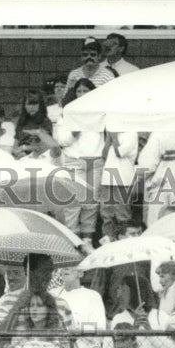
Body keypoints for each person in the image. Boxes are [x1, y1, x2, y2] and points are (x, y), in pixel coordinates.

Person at [55, 78, 104, 246]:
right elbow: (61, 140)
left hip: (94, 161)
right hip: (74, 161)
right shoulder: (67, 113)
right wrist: (74, 131)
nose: (82, 94)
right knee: (73, 203)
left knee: (90, 203)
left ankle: (87, 240)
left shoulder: (100, 113)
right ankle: (72, 241)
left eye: (86, 91)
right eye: (79, 91)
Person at [99, 130, 140, 245]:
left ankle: (126, 244)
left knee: (123, 215)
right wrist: (108, 140)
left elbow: (120, 153)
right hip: (107, 179)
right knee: (106, 215)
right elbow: (104, 155)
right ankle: (107, 244)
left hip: (124, 179)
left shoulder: (131, 133)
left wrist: (114, 138)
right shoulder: (113, 134)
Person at [12, 89, 54, 160]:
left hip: (39, 158)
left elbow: (45, 146)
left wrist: (24, 148)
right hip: (21, 158)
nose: (32, 107)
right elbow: (15, 145)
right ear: (24, 105)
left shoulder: (45, 122)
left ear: (40, 105)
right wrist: (17, 152)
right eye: (29, 104)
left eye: (34, 104)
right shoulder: (21, 122)